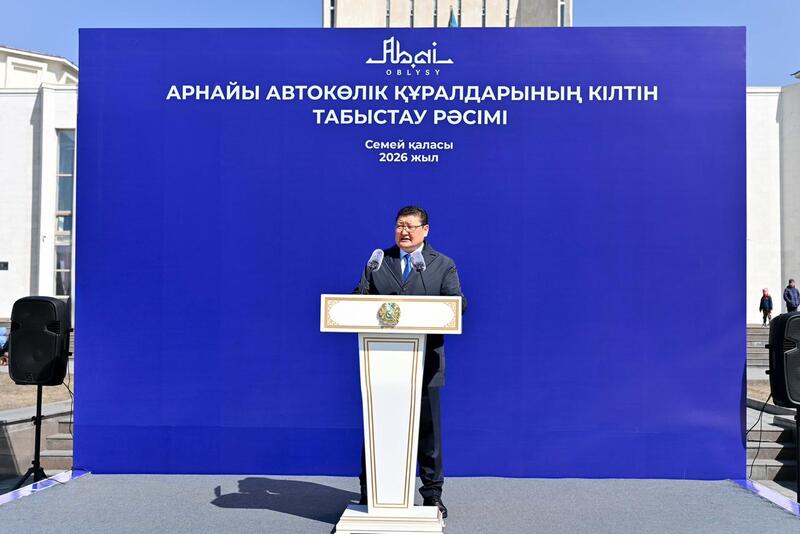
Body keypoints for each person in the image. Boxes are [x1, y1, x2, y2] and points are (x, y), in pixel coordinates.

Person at [354, 206, 466, 519]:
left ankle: (432, 495)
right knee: (378, 427)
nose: (404, 231)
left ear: (425, 230)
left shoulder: (442, 264)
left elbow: (458, 304)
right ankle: (370, 492)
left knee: (428, 432)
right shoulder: (379, 260)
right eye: (399, 225)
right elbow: (359, 297)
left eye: (410, 226)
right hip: (382, 364)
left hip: (425, 363)